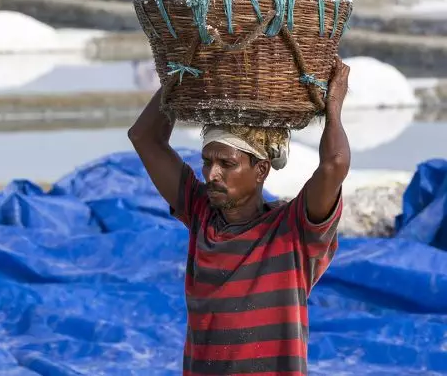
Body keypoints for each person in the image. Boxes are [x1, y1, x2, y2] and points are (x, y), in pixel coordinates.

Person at [128, 56, 351, 374]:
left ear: (261, 170)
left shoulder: (292, 231)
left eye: (227, 163)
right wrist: (177, 74)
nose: (211, 174)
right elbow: (144, 138)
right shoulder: (202, 214)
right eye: (207, 161)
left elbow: (334, 165)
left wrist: (334, 109)